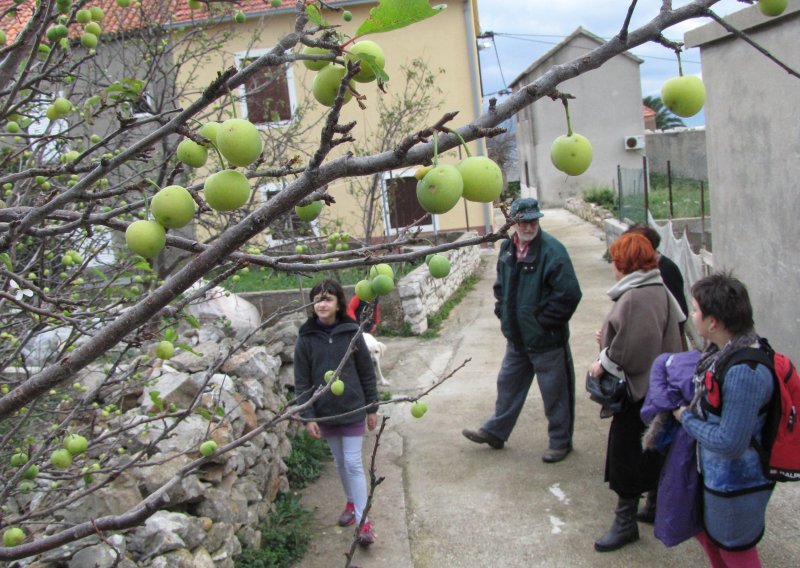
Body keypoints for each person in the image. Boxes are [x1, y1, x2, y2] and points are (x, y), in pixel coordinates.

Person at [462, 197, 582, 463]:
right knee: (508, 386)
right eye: (524, 221)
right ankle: (495, 432)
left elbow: (569, 294)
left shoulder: (553, 251)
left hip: (547, 342)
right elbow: (500, 286)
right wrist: (503, 313)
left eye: (533, 220)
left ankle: (560, 443)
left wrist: (542, 323)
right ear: (514, 222)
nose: (529, 226)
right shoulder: (507, 248)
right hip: (516, 339)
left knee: (555, 394)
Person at [588, 233, 684, 552]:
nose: (612, 266)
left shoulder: (637, 295)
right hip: (657, 389)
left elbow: (633, 350)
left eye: (615, 260)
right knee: (652, 448)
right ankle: (653, 507)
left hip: (639, 392)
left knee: (625, 456)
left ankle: (625, 523)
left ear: (623, 263)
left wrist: (602, 362)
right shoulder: (654, 287)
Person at [673, 273, 774, 567]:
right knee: (711, 539)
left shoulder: (744, 371)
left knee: (734, 550)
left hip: (737, 484)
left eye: (695, 310)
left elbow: (730, 442)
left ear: (713, 322)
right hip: (719, 478)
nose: (692, 315)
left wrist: (685, 418)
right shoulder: (721, 353)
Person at [294, 279, 380, 546]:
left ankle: (363, 522)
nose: (322, 303)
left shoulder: (352, 331)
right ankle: (352, 501)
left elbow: (366, 372)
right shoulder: (306, 338)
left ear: (339, 303)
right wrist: (308, 417)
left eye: (327, 298)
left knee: (353, 463)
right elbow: (302, 381)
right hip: (326, 413)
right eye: (317, 299)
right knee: (340, 462)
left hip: (354, 409)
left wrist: (372, 408)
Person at [623, 223, 689, 521]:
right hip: (661, 362)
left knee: (657, 434)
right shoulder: (644, 276)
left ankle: (655, 501)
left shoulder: (665, 273)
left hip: (663, 364)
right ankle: (653, 501)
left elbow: (674, 319)